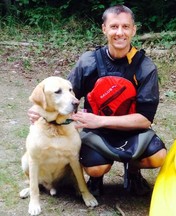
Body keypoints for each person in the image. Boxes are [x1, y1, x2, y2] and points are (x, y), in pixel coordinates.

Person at [28, 5, 166, 196]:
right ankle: (96, 178)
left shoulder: (145, 67)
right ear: (104, 29)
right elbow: (64, 96)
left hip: (132, 130)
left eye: (125, 27)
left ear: (133, 30)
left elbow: (145, 119)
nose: (120, 32)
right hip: (97, 133)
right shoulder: (89, 61)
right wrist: (39, 109)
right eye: (114, 26)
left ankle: (133, 171)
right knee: (95, 167)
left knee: (158, 157)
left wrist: (101, 119)